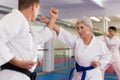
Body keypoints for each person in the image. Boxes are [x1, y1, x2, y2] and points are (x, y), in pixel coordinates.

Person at [0, 0, 58, 80]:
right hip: (13, 76)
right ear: (34, 6)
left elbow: (41, 37)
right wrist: (16, 62)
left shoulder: (25, 26)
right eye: (38, 8)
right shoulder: (15, 18)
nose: (38, 12)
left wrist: (53, 19)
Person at [40, 16, 111, 80]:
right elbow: (63, 32)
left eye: (82, 27)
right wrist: (49, 22)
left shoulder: (99, 43)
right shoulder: (77, 41)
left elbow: (108, 55)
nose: (79, 31)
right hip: (78, 75)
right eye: (78, 28)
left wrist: (99, 63)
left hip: (93, 75)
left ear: (89, 28)